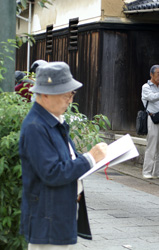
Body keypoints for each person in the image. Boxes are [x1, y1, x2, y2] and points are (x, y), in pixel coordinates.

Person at [19, 61, 108, 249]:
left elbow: (67, 159)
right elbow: (52, 172)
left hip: (56, 215)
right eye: (66, 94)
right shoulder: (35, 126)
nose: (70, 100)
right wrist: (90, 158)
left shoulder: (53, 120)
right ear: (45, 94)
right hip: (46, 219)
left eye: (72, 94)